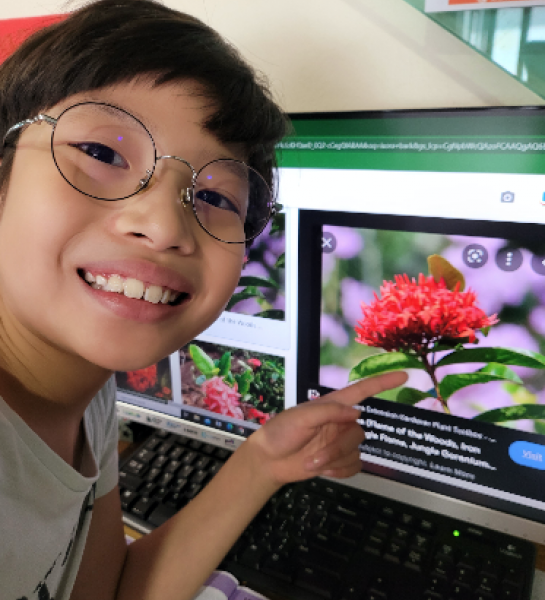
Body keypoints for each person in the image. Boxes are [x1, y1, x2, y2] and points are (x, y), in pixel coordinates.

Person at [0, 1, 407, 598]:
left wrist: (262, 460)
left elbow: (108, 590)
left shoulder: (85, 397)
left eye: (217, 197)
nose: (164, 225)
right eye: (104, 154)